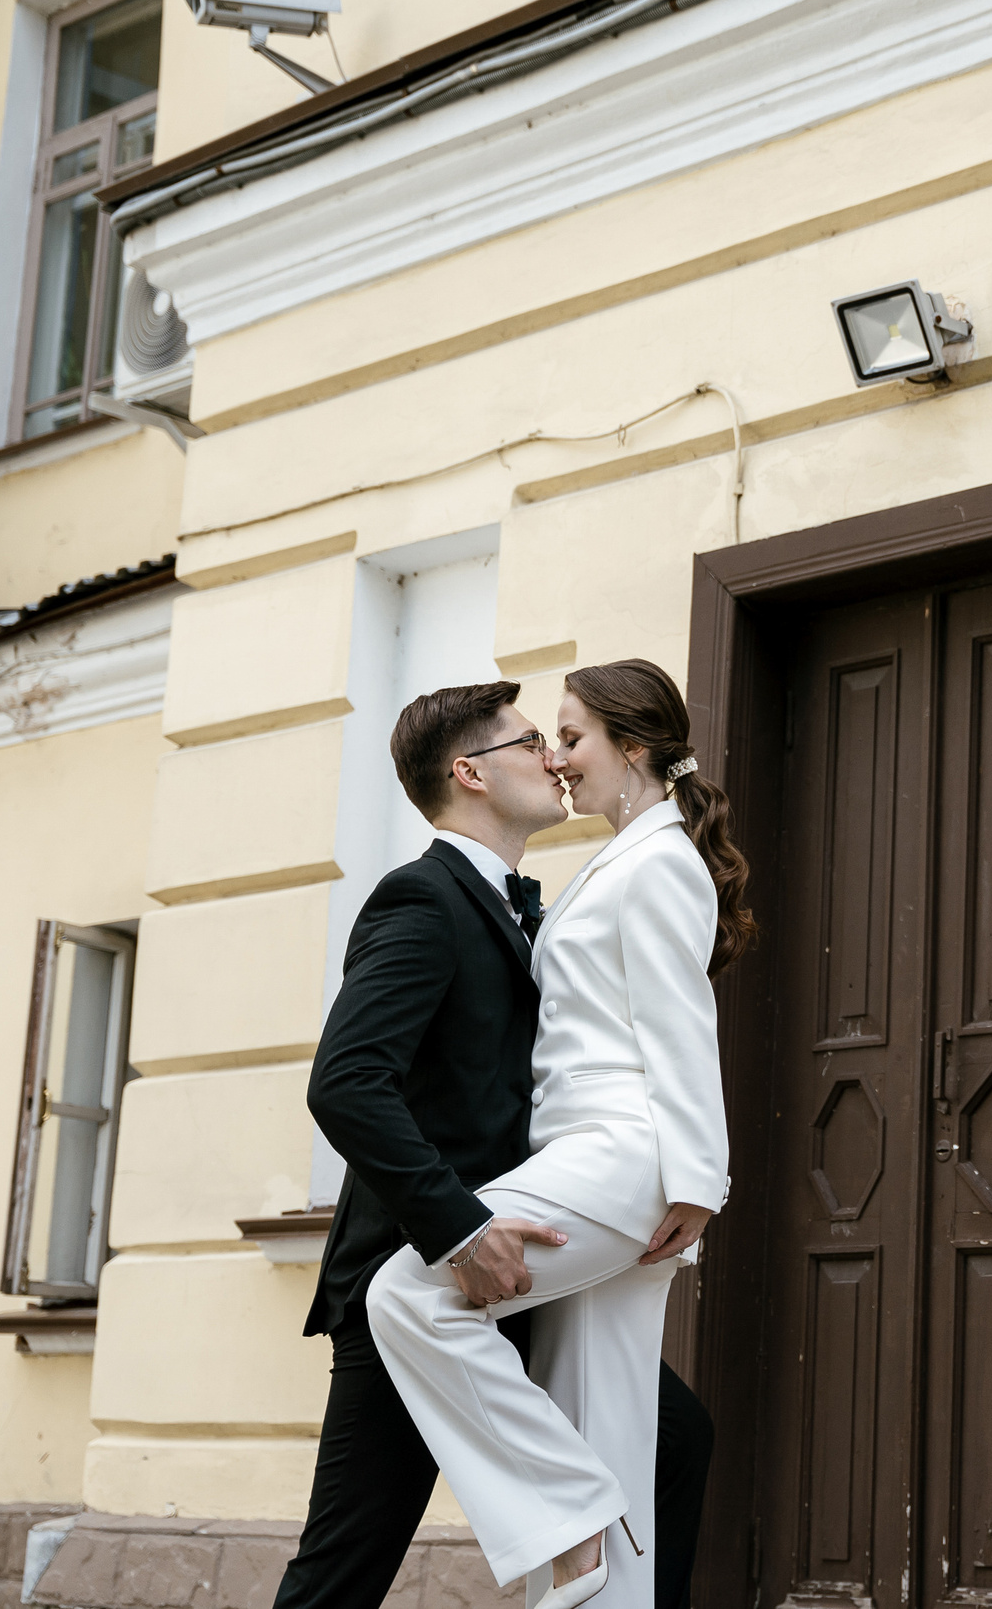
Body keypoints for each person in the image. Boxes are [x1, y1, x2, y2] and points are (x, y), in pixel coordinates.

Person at [365, 659, 754, 1609]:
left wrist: (701, 1181)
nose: (559, 758)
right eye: (549, 740)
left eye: (572, 738)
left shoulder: (661, 861)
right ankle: (592, 1533)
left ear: (635, 748)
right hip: (587, 1157)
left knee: (405, 1292)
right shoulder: (614, 862)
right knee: (604, 1419)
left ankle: (572, 1510)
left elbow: (680, 1025)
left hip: (618, 1155)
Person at [272, 680, 573, 1609]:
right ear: (469, 771)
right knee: (340, 1577)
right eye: (533, 741)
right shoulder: (421, 899)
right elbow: (345, 1083)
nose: (555, 757)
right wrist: (458, 1228)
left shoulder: (527, 910)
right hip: (412, 1282)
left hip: (518, 1277)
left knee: (674, 1446)